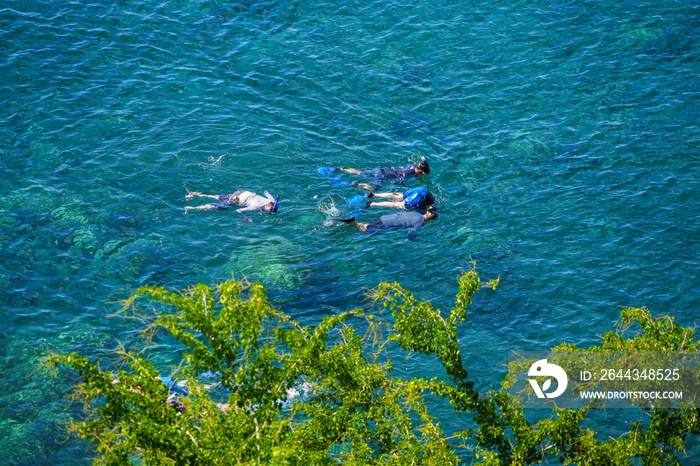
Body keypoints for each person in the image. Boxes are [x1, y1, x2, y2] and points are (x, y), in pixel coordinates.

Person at [333, 207, 438, 240]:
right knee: (365, 232)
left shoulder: (415, 212)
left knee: (367, 225)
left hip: (384, 218)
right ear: (431, 220)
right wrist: (409, 239)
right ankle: (352, 223)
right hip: (387, 224)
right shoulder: (420, 223)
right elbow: (411, 232)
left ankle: (343, 223)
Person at [336, 159, 430, 190]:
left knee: (360, 172)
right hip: (383, 176)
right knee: (374, 189)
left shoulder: (413, 166)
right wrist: (407, 186)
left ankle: (341, 169)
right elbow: (395, 182)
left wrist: (419, 179)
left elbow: (413, 174)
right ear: (420, 171)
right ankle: (353, 184)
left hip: (382, 170)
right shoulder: (407, 174)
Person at [185, 190, 279, 217]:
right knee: (215, 207)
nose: (268, 212)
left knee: (216, 196)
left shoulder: (272, 201)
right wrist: (248, 217)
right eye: (268, 211)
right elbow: (238, 210)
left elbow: (267, 193)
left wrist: (266, 192)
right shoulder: (256, 207)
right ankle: (190, 208)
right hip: (235, 200)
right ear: (267, 207)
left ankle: (195, 194)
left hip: (241, 192)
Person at [365, 187, 434, 210]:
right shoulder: (430, 206)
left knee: (398, 196)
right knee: (397, 205)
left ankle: (374, 195)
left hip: (423, 189)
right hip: (422, 197)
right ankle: (372, 204)